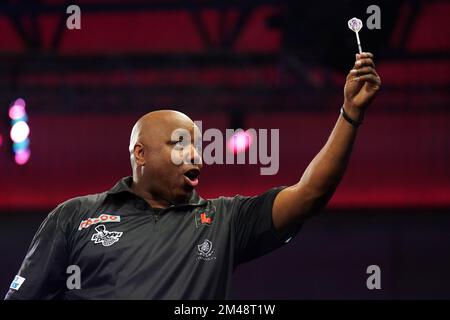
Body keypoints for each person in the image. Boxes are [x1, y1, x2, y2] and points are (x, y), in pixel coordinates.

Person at [5, 52, 380, 299]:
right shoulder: (76, 215)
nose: (195, 156)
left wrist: (350, 114)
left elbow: (311, 193)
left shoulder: (224, 221)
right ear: (140, 154)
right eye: (180, 144)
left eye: (197, 146)